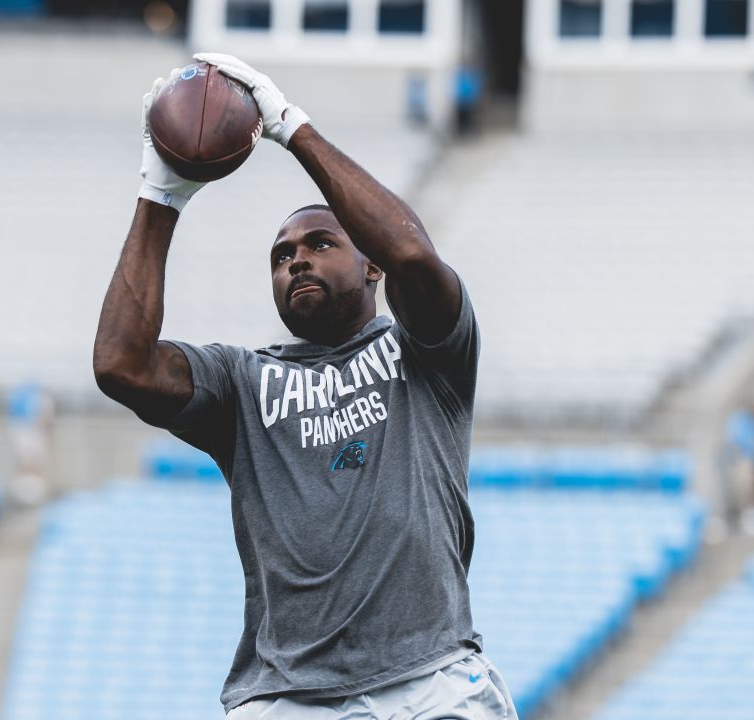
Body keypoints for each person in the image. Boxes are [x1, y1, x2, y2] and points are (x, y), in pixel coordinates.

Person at [93, 53, 516, 720]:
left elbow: (413, 256)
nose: (296, 261)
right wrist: (161, 193)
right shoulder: (241, 382)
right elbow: (121, 365)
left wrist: (291, 128)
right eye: (282, 256)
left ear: (370, 262)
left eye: (320, 243)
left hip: (430, 681)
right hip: (288, 698)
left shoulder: (429, 352)